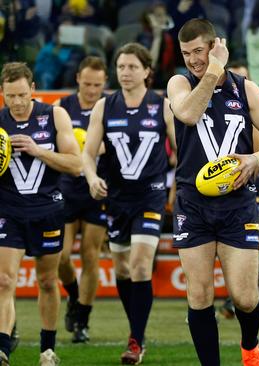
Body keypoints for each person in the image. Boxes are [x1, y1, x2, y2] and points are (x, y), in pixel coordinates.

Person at [167, 19, 259, 365]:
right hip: (193, 203)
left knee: (247, 298)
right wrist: (212, 70)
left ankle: (250, 347)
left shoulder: (246, 89)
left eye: (199, 51)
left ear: (215, 45)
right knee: (200, 293)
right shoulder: (179, 83)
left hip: (238, 204)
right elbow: (188, 114)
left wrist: (257, 157)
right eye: (186, 53)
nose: (192, 59)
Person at [83, 43, 176, 365]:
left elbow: (180, 150)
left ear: (147, 71)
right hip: (116, 199)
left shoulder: (162, 105)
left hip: (150, 195)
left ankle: (135, 341)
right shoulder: (104, 107)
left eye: (132, 67)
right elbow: (87, 152)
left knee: (139, 264)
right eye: (121, 67)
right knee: (122, 269)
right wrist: (92, 177)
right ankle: (137, 329)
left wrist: (177, 184)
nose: (125, 72)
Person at [0, 62, 82, 365]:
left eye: (22, 94)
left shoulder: (54, 115)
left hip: (47, 210)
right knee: (4, 280)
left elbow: (76, 165)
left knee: (47, 281)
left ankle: (47, 349)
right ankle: (3, 348)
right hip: (8, 210)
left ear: (33, 89)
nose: (17, 103)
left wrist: (39, 150)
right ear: (3, 94)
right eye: (10, 96)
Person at [54, 55, 109, 344]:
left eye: (97, 85)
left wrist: (97, 150)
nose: (91, 90)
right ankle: (74, 296)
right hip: (66, 188)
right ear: (77, 79)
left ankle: (82, 321)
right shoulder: (61, 108)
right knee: (61, 257)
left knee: (91, 255)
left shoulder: (109, 106)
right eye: (87, 84)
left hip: (96, 189)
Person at [218, 61, 259, 319]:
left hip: (253, 179)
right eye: (236, 77)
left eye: (245, 78)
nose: (239, 82)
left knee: (245, 238)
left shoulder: (255, 100)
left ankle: (241, 294)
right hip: (223, 180)